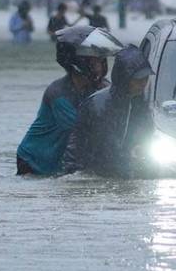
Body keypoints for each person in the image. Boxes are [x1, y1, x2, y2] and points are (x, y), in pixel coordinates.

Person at [16, 27, 121, 176]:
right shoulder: (58, 93)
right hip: (34, 161)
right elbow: (84, 129)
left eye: (102, 60)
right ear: (79, 62)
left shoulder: (103, 88)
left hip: (60, 160)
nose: (101, 66)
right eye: (95, 61)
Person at [62, 46, 154, 178]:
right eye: (138, 80)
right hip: (88, 172)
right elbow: (106, 150)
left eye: (145, 79)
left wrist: (141, 145)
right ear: (125, 79)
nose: (143, 84)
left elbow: (146, 129)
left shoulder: (139, 100)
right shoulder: (99, 106)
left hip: (122, 168)